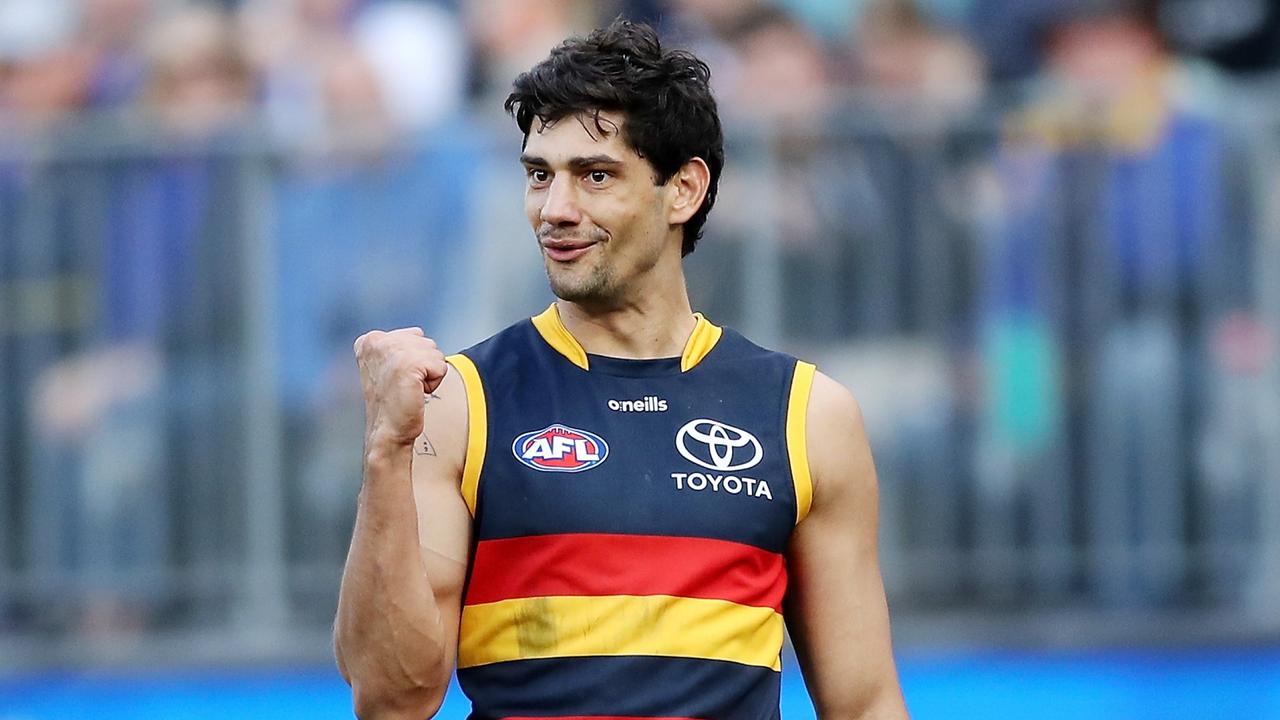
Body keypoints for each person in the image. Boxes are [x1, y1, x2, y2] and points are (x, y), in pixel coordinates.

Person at [334, 19, 909, 720]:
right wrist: (384, 454)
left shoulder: (807, 414)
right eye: (540, 175)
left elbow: (865, 703)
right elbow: (393, 699)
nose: (556, 209)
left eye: (595, 176)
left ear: (685, 190)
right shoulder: (458, 403)